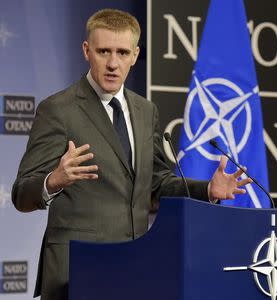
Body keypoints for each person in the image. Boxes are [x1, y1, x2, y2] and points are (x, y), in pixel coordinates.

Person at [11, 8, 251, 300]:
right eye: (104, 51)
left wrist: (208, 190)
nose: (113, 63)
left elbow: (158, 184)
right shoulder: (58, 110)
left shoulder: (145, 110)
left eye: (122, 53)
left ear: (135, 56)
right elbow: (21, 194)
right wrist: (53, 181)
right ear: (87, 51)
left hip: (135, 265)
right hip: (77, 272)